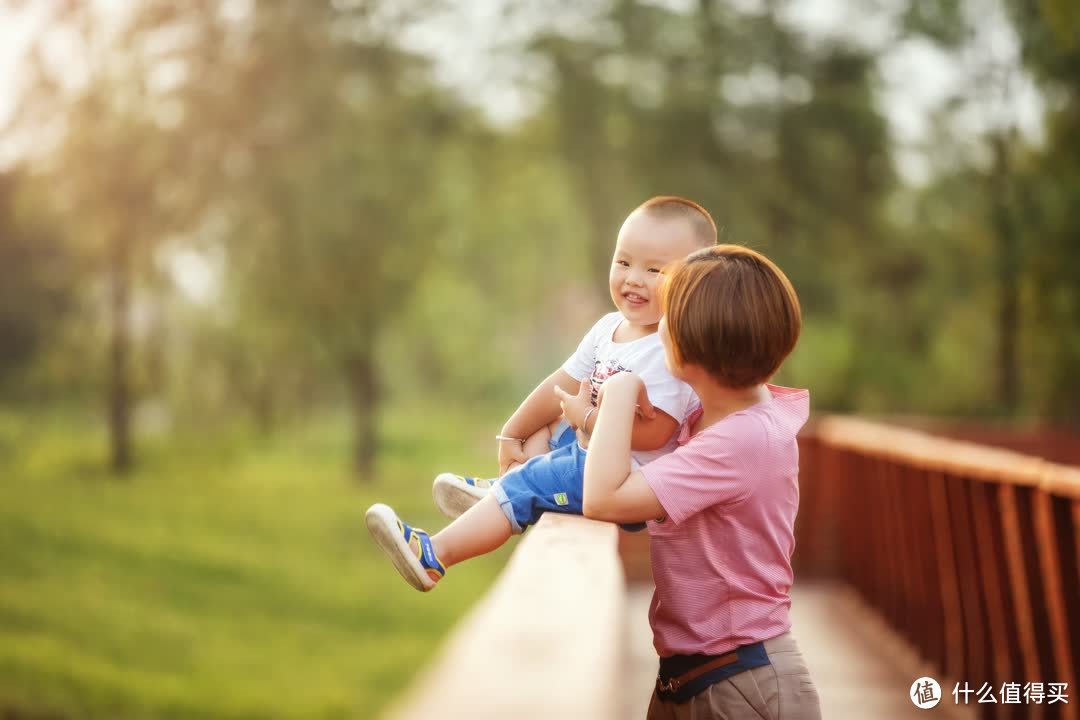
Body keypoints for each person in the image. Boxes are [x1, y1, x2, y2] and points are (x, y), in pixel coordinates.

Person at [365, 196, 716, 592]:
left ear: (693, 283)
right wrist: (510, 433)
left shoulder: (670, 346)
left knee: (528, 483)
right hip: (588, 451)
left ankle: (435, 554)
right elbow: (560, 385)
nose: (633, 278)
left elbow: (658, 434)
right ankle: (503, 487)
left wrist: (585, 419)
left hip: (623, 476)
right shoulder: (608, 327)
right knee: (543, 423)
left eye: (654, 269)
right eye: (623, 262)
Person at [580, 244, 822, 719]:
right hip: (696, 676)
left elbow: (602, 498)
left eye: (667, 315)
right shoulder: (709, 419)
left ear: (694, 341)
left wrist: (620, 389)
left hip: (739, 683)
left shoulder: (741, 440)